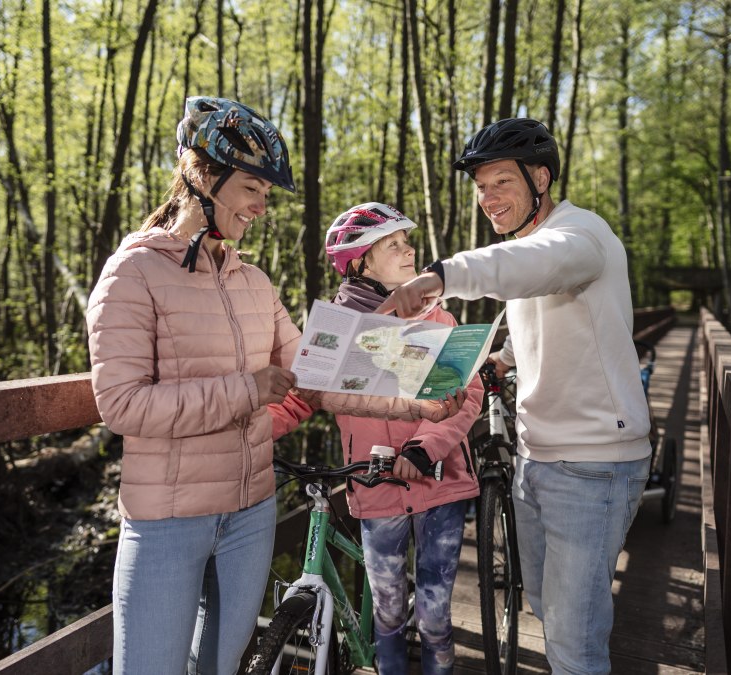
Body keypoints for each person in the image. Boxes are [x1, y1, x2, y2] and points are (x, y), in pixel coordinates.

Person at [86, 97, 463, 675]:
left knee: (223, 667)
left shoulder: (253, 282)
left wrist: (419, 403)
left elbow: (320, 374)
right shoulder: (132, 273)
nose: (261, 208)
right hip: (167, 519)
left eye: (266, 193)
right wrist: (248, 388)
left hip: (251, 512)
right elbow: (122, 405)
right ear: (201, 175)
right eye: (251, 189)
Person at [376, 118, 652, 675]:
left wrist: (438, 278)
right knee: (548, 611)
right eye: (481, 187)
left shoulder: (581, 235)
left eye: (501, 182)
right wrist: (502, 360)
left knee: (575, 645)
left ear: (540, 179)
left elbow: (534, 266)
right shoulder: (531, 248)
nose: (488, 198)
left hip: (593, 465)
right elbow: (537, 309)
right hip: (537, 458)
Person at [273, 203, 483, 674]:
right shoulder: (334, 330)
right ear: (361, 264)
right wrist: (249, 433)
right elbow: (302, 397)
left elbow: (468, 395)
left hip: (440, 481)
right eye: (393, 245)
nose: (409, 251)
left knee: (433, 618)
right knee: (387, 614)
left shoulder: (439, 319)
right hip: (375, 485)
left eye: (408, 242)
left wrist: (424, 447)